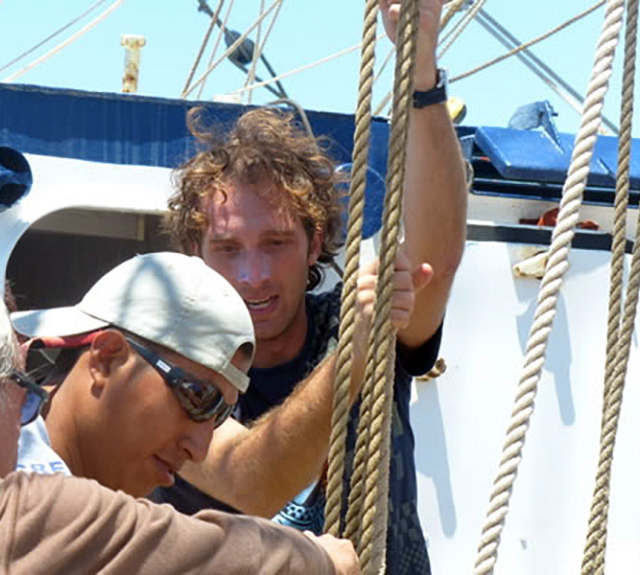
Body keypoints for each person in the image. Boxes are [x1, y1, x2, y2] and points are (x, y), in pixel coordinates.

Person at [161, 0, 467, 572]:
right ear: (194, 255)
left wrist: (420, 73)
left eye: (275, 243)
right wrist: (351, 355)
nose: (253, 276)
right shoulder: (169, 369)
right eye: (228, 250)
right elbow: (251, 481)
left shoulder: (362, 322)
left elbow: (436, 260)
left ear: (314, 242)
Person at [0, 299, 361, 574]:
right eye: (197, 397)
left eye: (219, 415)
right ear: (107, 358)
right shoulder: (31, 496)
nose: (199, 449)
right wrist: (316, 560)